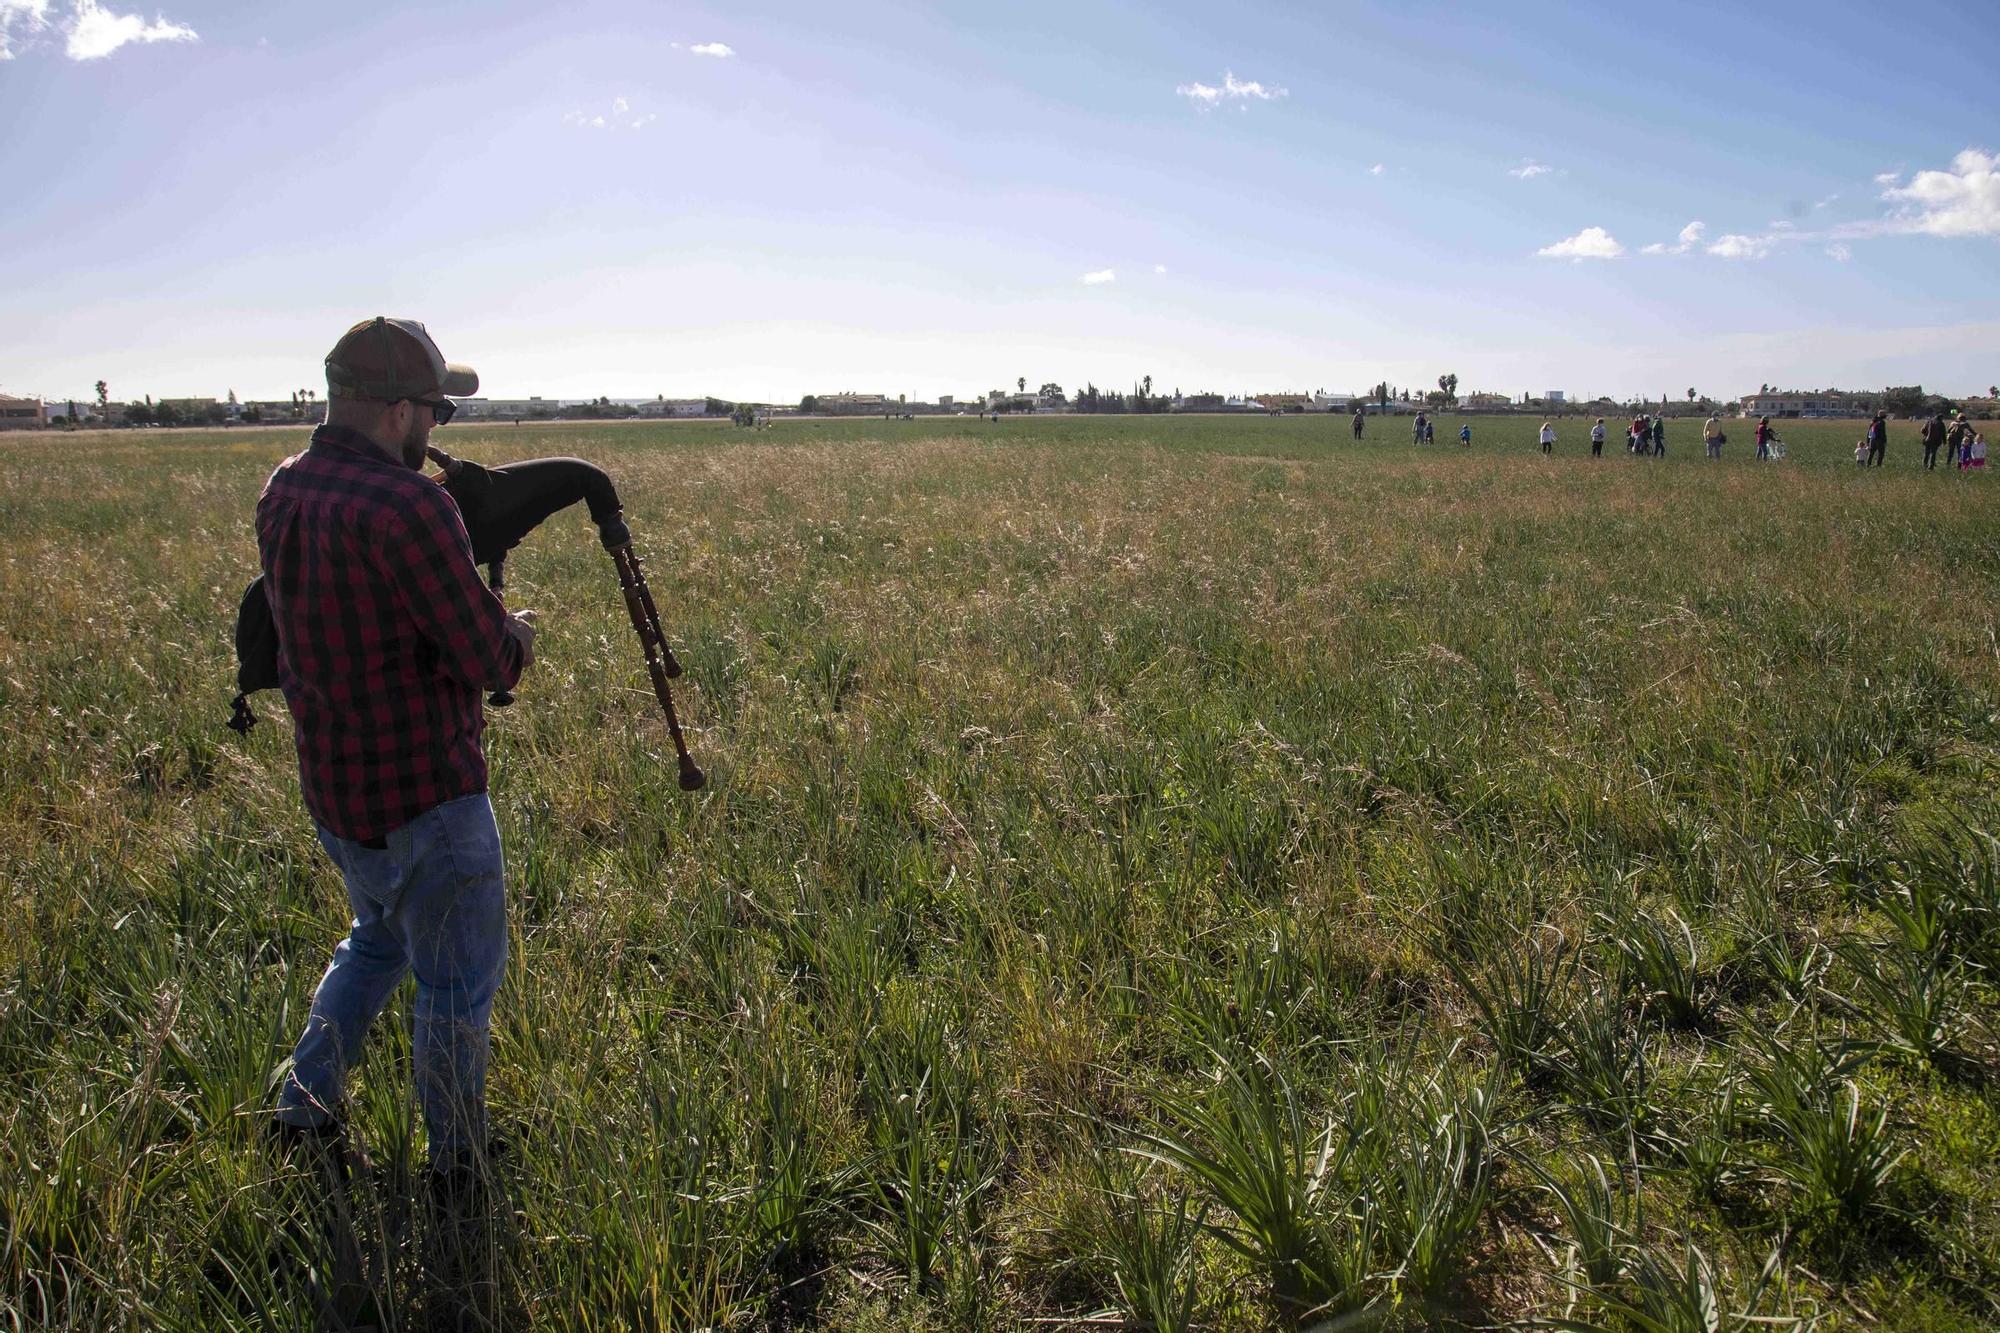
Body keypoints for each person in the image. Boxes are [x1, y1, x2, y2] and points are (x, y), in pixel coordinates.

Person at [260, 318, 535, 1198]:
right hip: (429, 795)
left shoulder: (286, 487)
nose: (437, 430)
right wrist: (519, 636)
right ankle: (458, 1159)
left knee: (374, 941)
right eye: (434, 411)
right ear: (392, 413)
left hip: (338, 791)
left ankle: (303, 1105)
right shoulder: (413, 507)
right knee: (456, 984)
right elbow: (484, 656)